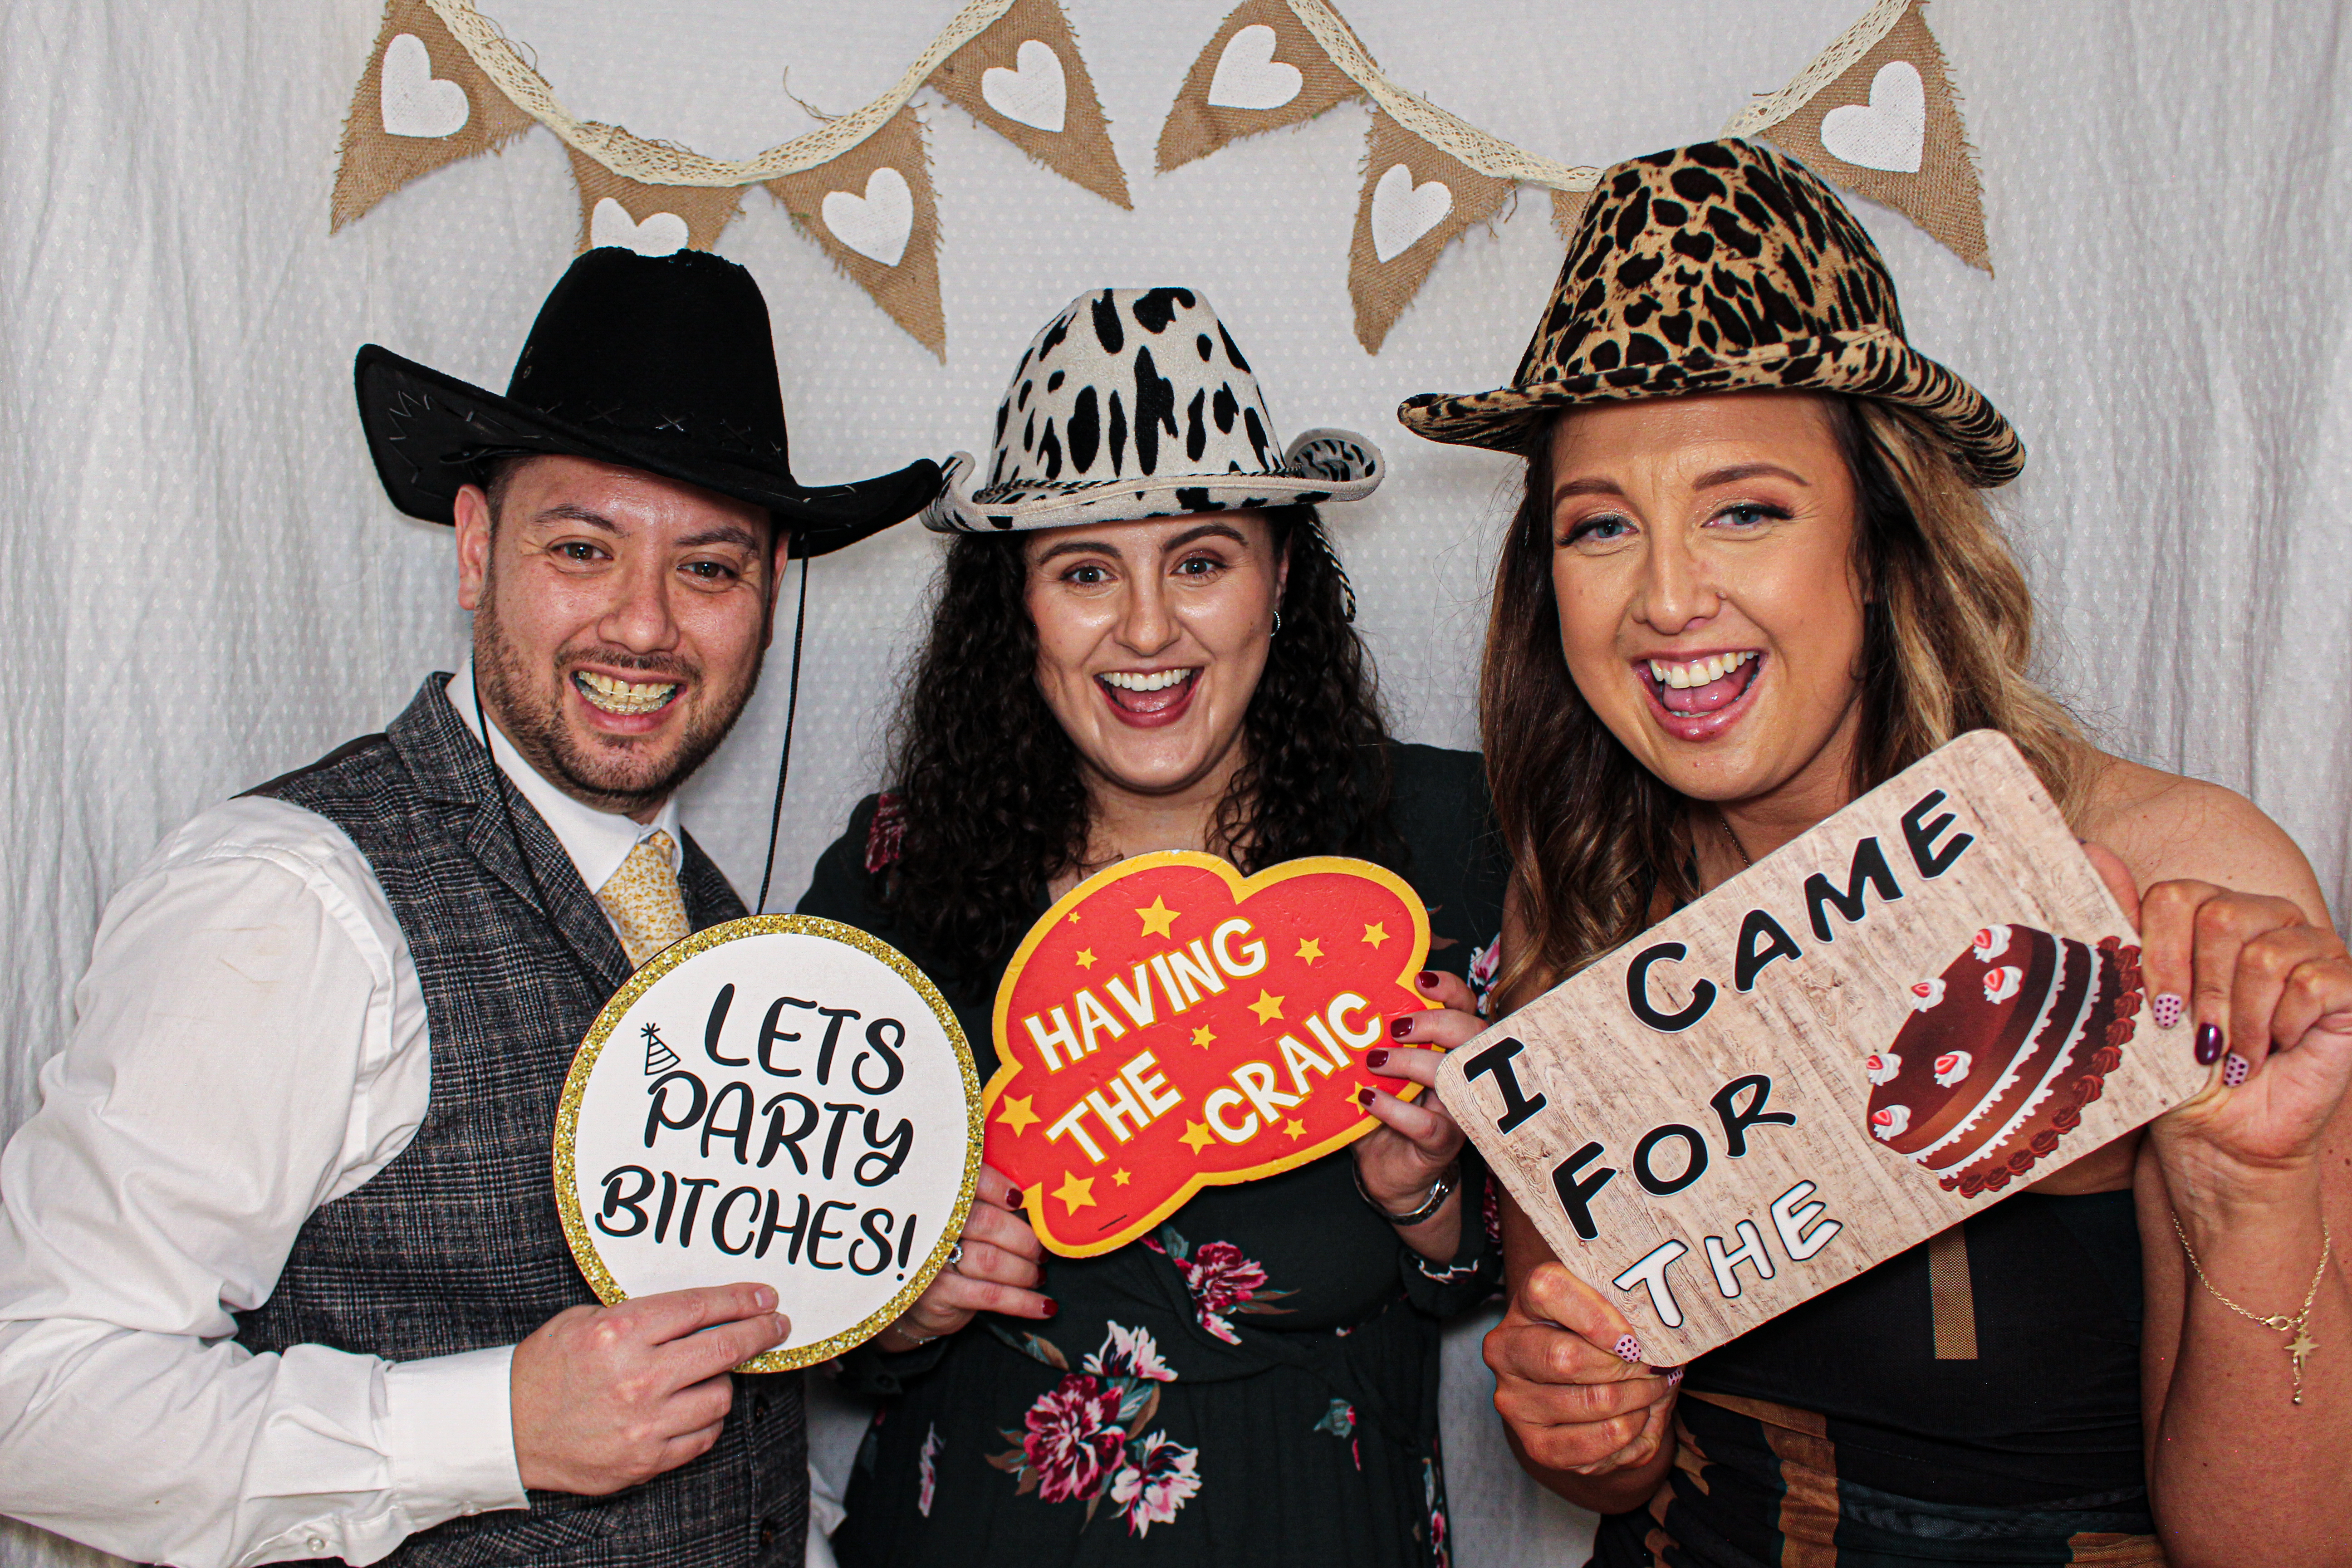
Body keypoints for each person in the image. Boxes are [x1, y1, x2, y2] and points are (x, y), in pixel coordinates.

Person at [1393, 138, 2352, 1566]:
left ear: (1886, 536)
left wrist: (2252, 1190)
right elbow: (1607, 1463)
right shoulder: (1584, 892)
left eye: (1745, 509)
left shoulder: (2162, 879)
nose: (1665, 597)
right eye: (1600, 527)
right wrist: (1594, 1421)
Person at [0, 247, 941, 1567]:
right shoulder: (292, 900)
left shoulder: (722, 931)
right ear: (477, 547)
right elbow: (32, 1391)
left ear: (771, 594)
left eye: (711, 570)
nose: (645, 626)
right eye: (582, 548)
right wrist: (489, 1426)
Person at [795, 287, 1505, 1566]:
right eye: (1083, 571)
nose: (1144, 629)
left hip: (1322, 1524)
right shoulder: (895, 873)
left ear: (1279, 574)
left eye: (1199, 559)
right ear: (1014, 606)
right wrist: (898, 1309)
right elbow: (806, 1316)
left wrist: (1431, 1194)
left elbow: (1560, 1295)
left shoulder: (1444, 842)